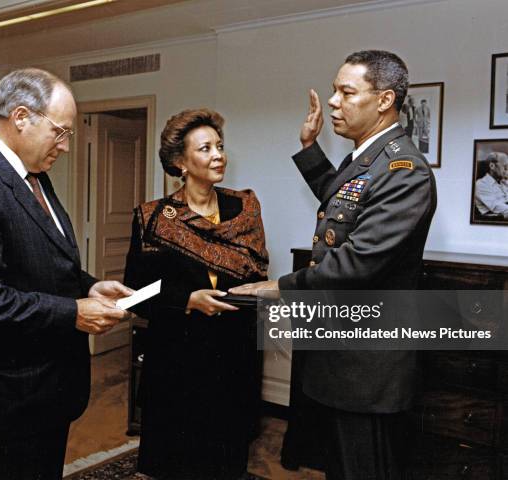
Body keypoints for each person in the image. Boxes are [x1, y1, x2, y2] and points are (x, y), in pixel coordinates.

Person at [231, 50, 437, 479]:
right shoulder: (370, 158)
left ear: (383, 101)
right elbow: (343, 200)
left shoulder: (404, 170)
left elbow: (358, 262)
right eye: (334, 90)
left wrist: (277, 287)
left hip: (367, 366)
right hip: (341, 354)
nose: (332, 101)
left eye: (346, 91)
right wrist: (309, 148)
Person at [0, 68, 133, 480]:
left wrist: (90, 285)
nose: (64, 146)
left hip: (48, 390)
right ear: (21, 117)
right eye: (60, 132)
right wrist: (73, 313)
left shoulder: (36, 178)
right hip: (5, 399)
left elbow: (44, 263)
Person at [124, 108, 269, 480]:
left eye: (220, 146)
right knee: (178, 455)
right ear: (180, 162)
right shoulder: (154, 219)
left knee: (227, 452)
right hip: (178, 354)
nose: (218, 155)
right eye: (205, 149)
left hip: (234, 350)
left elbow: (257, 272)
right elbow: (137, 290)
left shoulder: (245, 208)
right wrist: (187, 299)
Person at [475, 151, 508, 218]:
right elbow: (497, 207)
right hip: (497, 219)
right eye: (505, 167)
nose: (507, 171)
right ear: (492, 166)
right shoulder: (481, 184)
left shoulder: (503, 182)